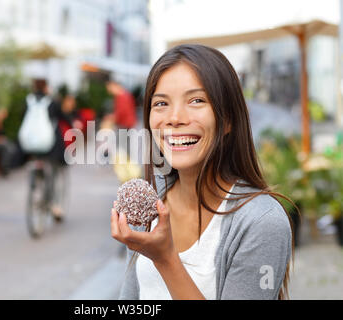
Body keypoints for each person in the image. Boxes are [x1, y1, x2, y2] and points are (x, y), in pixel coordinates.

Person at [111, 44, 295, 300]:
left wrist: (165, 259)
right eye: (161, 103)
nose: (174, 118)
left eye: (196, 100)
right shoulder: (148, 201)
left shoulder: (262, 221)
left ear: (228, 118)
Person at [21, 79, 76, 222]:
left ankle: (36, 185)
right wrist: (73, 124)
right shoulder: (51, 102)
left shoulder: (28, 101)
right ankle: (55, 205)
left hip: (30, 145)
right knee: (56, 171)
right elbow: (63, 118)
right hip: (50, 146)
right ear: (46, 87)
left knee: (38, 164)